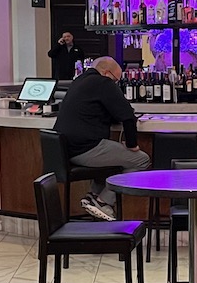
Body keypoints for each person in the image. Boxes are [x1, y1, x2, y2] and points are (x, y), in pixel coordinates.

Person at [54, 56, 151, 220]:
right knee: (141, 160)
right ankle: (104, 202)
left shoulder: (80, 80)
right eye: (116, 80)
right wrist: (131, 144)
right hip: (85, 148)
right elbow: (128, 116)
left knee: (113, 158)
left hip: (67, 149)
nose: (116, 84)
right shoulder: (103, 83)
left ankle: (93, 196)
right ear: (107, 73)